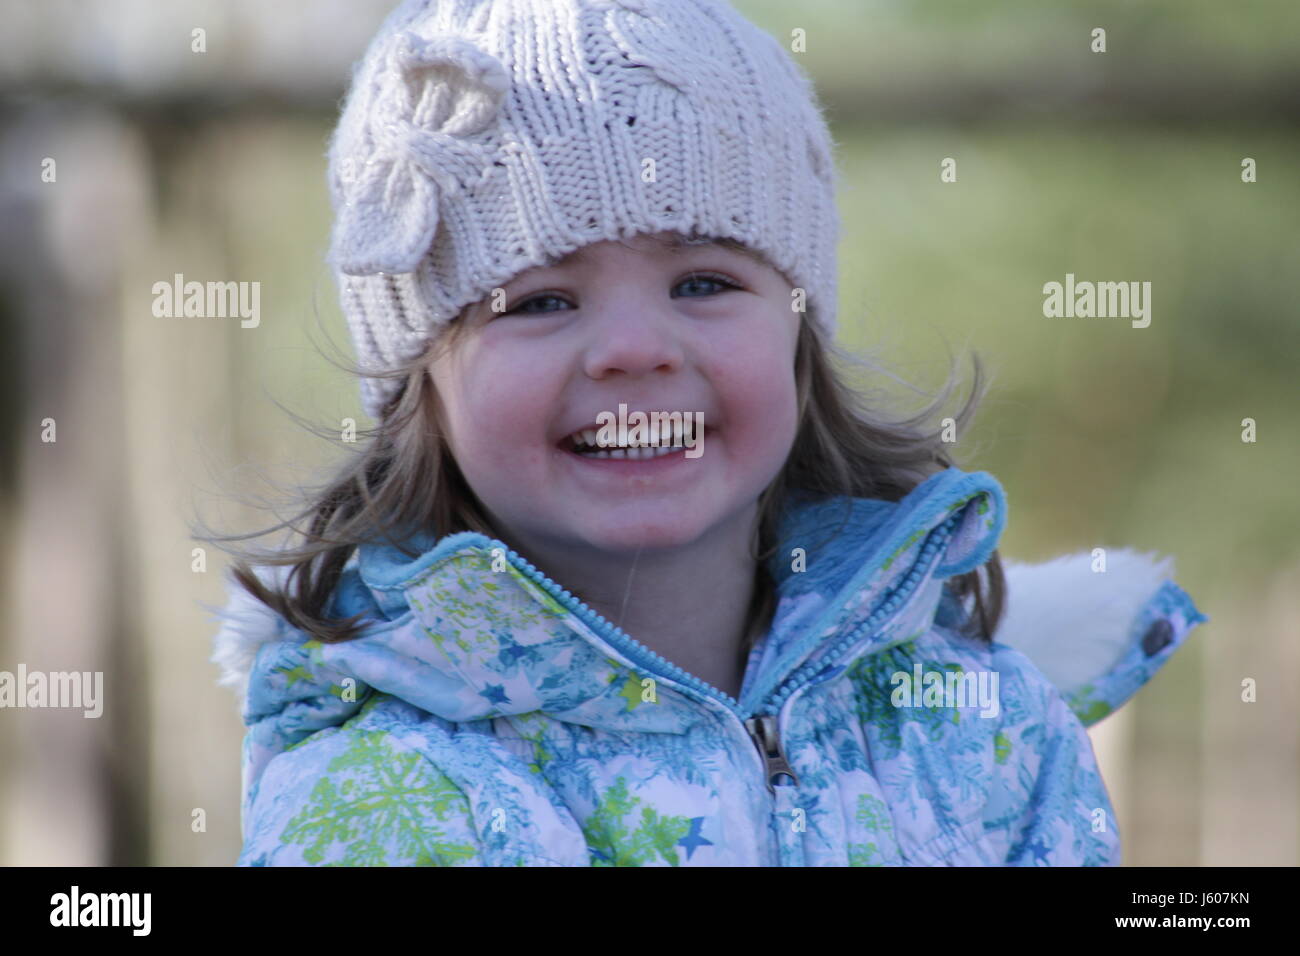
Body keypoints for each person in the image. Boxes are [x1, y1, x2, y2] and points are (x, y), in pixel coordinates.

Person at [207, 0, 1205, 866]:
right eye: (541, 300)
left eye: (703, 282)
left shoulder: (992, 737)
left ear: (797, 332)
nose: (634, 348)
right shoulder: (380, 801)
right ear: (420, 385)